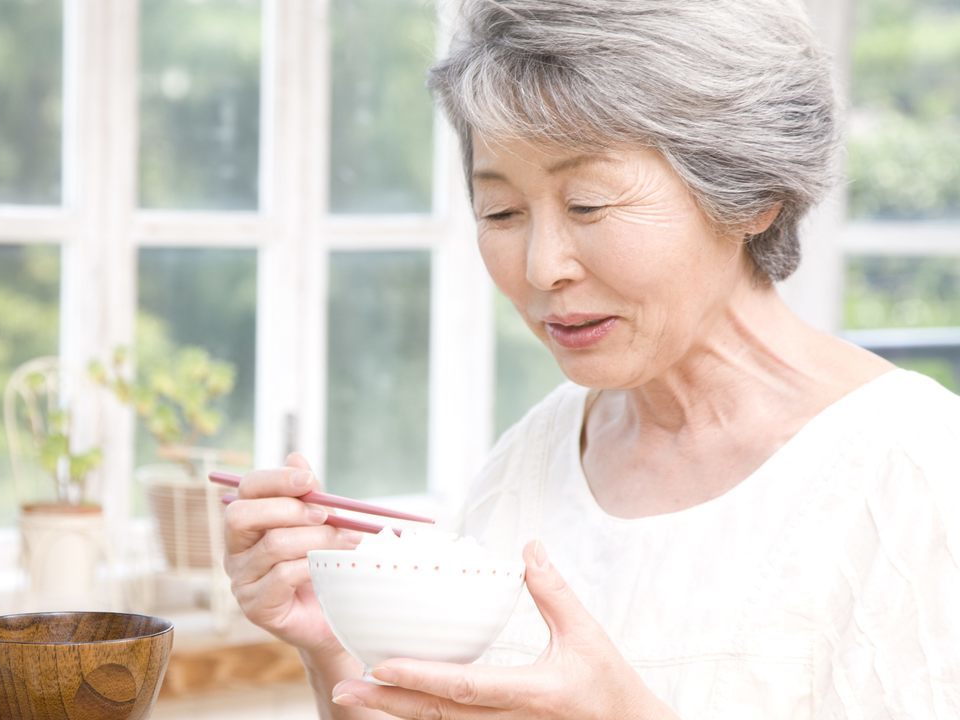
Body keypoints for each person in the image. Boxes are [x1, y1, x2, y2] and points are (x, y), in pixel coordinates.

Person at [222, 0, 960, 717]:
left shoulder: (919, 470)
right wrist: (337, 652)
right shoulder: (532, 463)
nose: (543, 268)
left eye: (589, 205)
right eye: (502, 213)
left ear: (751, 194)